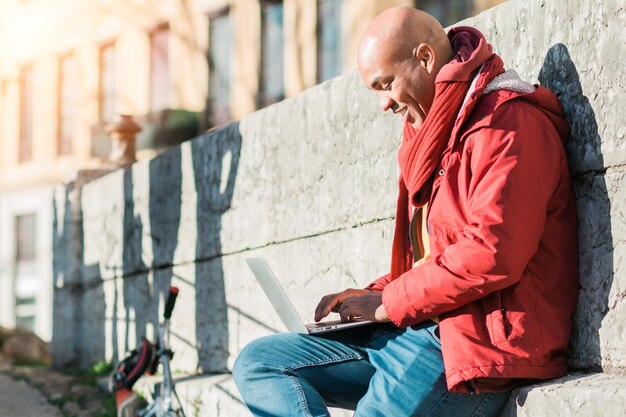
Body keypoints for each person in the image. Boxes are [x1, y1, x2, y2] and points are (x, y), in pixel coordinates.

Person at [233, 6, 578, 417]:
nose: (383, 105)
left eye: (386, 84)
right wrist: (374, 295)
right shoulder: (438, 131)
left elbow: (491, 253)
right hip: (419, 328)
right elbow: (433, 257)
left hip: (473, 343)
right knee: (259, 364)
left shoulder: (509, 124)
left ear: (426, 59)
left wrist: (389, 301)